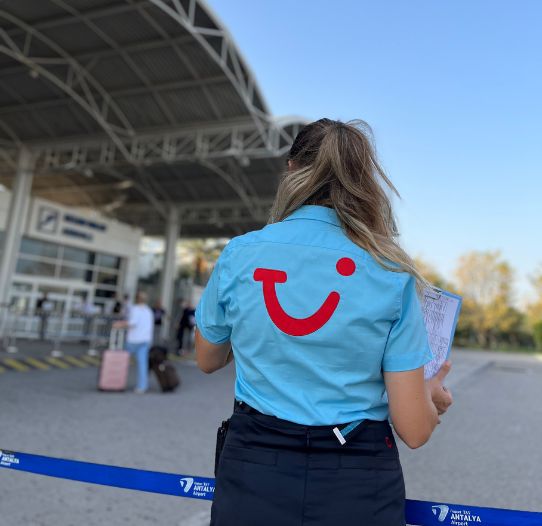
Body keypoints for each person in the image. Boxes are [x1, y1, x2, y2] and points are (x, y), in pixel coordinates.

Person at [194, 118, 454, 526]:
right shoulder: (390, 270)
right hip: (358, 480)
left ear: (291, 170)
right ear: (363, 181)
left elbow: (207, 359)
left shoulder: (240, 254)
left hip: (254, 466)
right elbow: (414, 429)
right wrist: (430, 395)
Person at [114, 291, 154, 394]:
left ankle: (116, 382)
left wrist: (119, 324)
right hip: (145, 340)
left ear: (137, 299)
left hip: (133, 340)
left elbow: (133, 323)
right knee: (142, 364)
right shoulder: (149, 311)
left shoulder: (135, 309)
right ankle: (142, 386)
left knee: (122, 361)